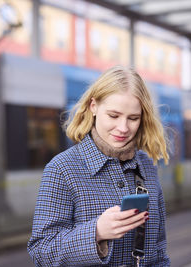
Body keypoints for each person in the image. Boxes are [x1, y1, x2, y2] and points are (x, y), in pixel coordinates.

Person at [27, 66, 170, 266]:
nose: (123, 128)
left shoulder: (146, 166)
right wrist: (96, 232)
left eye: (133, 118)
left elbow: (159, 251)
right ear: (93, 106)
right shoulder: (62, 168)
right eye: (113, 115)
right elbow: (41, 252)